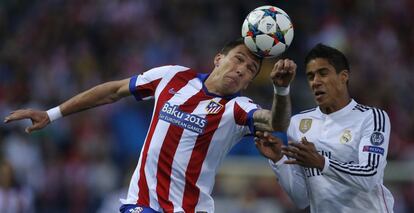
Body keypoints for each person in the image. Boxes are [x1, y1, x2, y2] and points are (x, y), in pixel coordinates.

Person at [4, 38, 296, 213]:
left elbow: (276, 121)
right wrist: (52, 114)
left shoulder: (237, 108)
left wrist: (281, 91)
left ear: (248, 82)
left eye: (250, 70)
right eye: (238, 59)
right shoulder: (172, 77)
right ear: (219, 59)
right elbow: (113, 91)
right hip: (141, 203)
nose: (241, 69)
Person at [255, 43, 394, 212]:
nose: (315, 82)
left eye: (323, 73)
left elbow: (370, 176)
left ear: (343, 76)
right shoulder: (298, 123)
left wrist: (322, 162)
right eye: (311, 76)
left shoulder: (371, 117)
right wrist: (279, 160)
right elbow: (301, 199)